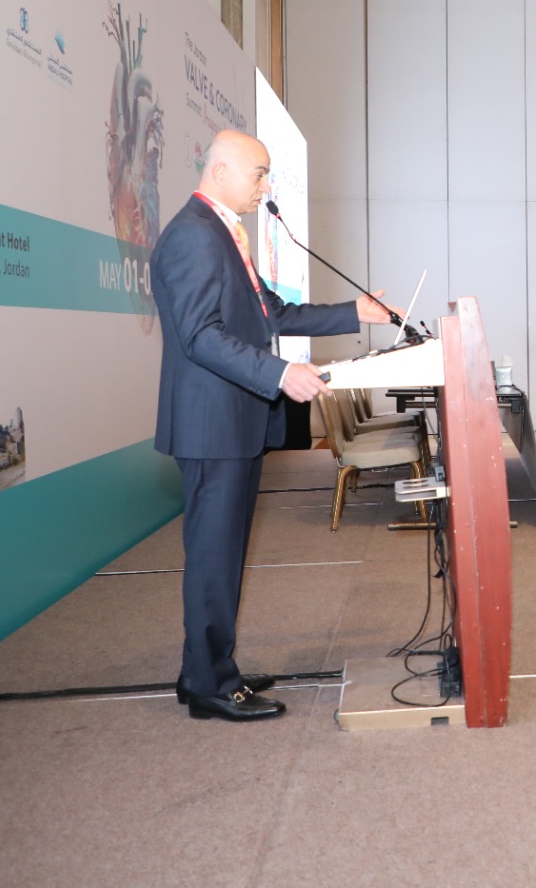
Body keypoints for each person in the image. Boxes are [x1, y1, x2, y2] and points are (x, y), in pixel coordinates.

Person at [152, 129, 398, 722]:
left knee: (222, 553)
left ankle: (205, 669)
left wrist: (354, 311)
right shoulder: (193, 236)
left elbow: (272, 314)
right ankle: (211, 685)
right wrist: (281, 373)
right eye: (258, 174)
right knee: (213, 556)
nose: (265, 187)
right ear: (220, 171)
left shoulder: (222, 232)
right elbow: (201, 336)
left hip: (230, 423)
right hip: (211, 425)